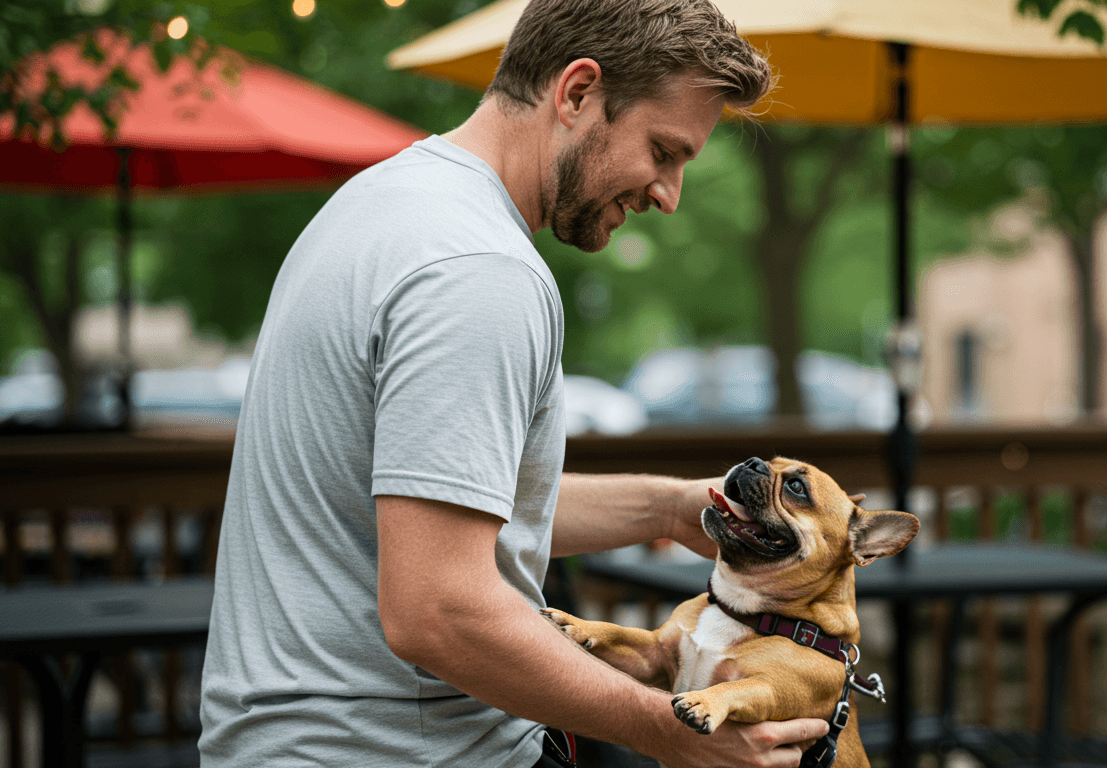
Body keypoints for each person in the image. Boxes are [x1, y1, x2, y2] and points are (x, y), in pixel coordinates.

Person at [197, 0, 830, 766]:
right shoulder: (479, 274)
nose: (669, 194)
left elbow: (440, 507)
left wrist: (667, 507)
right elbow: (438, 609)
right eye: (663, 151)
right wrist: (666, 729)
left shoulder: (384, 202)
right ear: (576, 92)